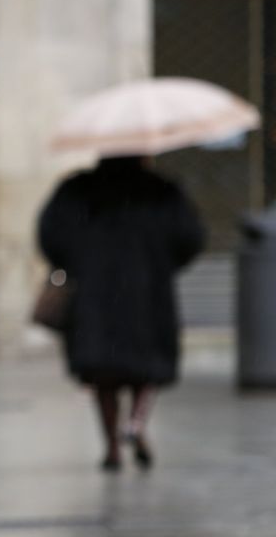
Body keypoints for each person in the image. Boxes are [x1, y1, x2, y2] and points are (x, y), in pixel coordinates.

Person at [37, 155, 205, 472]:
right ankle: (136, 424)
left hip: (93, 296)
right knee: (148, 367)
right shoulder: (161, 190)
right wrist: (163, 264)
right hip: (147, 294)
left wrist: (74, 263)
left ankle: (112, 446)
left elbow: (49, 236)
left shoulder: (77, 189)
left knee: (104, 376)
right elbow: (190, 238)